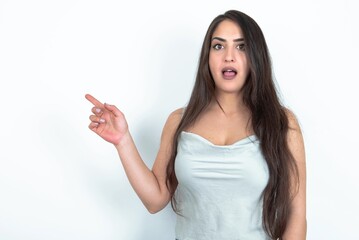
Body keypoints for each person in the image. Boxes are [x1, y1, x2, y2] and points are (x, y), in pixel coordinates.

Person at [85, 9, 306, 240]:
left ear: (256, 57)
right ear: (207, 57)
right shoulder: (180, 122)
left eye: (241, 46)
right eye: (218, 46)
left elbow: (296, 215)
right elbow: (155, 199)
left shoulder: (282, 124)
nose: (229, 56)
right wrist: (123, 141)